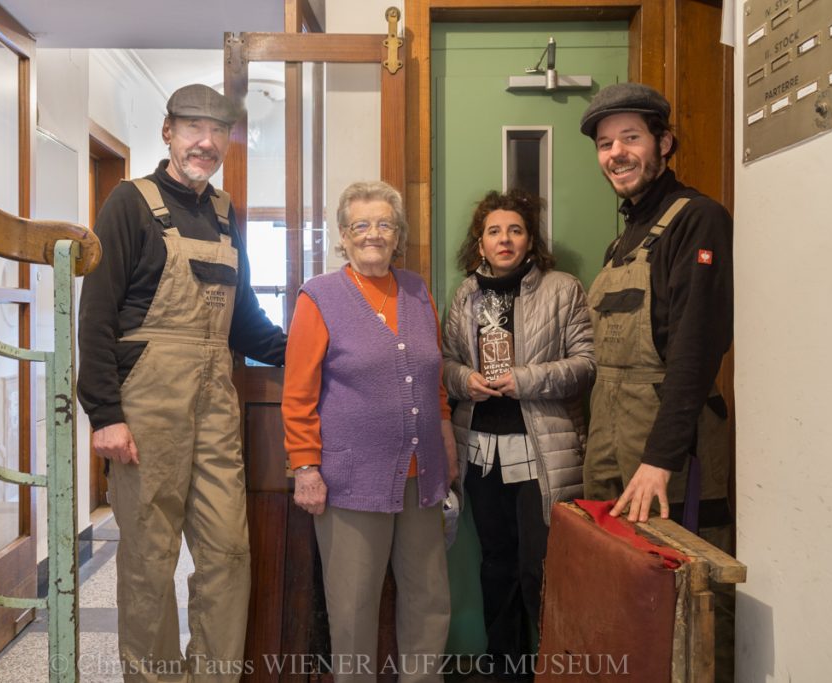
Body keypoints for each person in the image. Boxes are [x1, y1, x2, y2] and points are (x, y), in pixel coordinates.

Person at [78, 84, 286, 683]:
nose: (206, 141)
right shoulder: (129, 202)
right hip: (147, 405)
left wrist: (308, 352)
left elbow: (243, 320)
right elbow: (96, 315)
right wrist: (105, 415)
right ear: (167, 131)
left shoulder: (224, 212)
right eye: (193, 127)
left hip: (215, 401)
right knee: (148, 561)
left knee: (229, 552)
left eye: (218, 131)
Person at [579, 82, 735, 680]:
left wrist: (661, 459)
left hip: (669, 450)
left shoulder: (697, 220)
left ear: (664, 143)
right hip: (612, 440)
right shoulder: (623, 240)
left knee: (687, 588)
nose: (616, 153)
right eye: (605, 143)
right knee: (627, 586)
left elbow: (697, 352)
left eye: (631, 138)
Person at [281, 181, 457, 683]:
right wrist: (306, 467)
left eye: (384, 224)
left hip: (423, 478)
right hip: (351, 480)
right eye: (362, 225)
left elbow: (433, 380)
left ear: (398, 234)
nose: (373, 234)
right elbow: (298, 394)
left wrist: (446, 445)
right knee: (354, 606)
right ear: (343, 235)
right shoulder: (320, 297)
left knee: (429, 597)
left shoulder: (419, 291)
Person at [442, 189, 595, 681]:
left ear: (530, 240)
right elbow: (442, 364)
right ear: (479, 242)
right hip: (482, 452)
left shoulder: (562, 289)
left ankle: (552, 667)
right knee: (496, 566)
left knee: (539, 568)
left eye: (515, 230)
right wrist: (464, 379)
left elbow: (586, 365)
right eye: (493, 231)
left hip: (542, 452)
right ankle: (505, 669)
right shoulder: (465, 295)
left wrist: (525, 379)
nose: (504, 239)